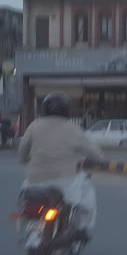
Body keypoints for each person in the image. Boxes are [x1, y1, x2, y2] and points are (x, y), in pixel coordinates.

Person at [17, 92, 104, 237]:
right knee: (87, 192)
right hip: (65, 182)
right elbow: (97, 155)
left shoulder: (34, 126)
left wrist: (29, 158)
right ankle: (81, 227)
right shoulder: (73, 129)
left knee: (24, 202)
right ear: (66, 110)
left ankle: (26, 229)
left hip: (34, 181)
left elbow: (22, 154)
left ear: (44, 109)